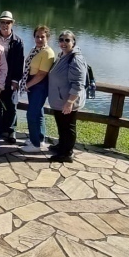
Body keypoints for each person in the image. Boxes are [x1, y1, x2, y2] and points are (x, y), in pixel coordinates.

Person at [48, 31, 88, 163]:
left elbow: (78, 83)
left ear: (73, 42)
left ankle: (66, 153)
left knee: (68, 127)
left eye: (67, 40)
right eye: (61, 40)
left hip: (67, 101)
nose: (63, 43)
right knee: (61, 125)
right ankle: (61, 146)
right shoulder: (63, 55)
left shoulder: (75, 59)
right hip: (60, 100)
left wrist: (70, 102)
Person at [19, 25, 56, 154]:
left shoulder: (47, 52)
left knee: (32, 114)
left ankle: (35, 144)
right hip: (33, 84)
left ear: (48, 38)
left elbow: (41, 74)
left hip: (39, 85)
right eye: (37, 36)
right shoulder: (36, 49)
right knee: (38, 113)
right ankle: (39, 139)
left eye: (42, 37)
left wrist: (27, 85)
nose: (39, 39)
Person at [0, 11, 24, 143]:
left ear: (12, 24)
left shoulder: (18, 41)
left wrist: (15, 80)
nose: (5, 24)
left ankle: (11, 130)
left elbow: (19, 62)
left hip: (10, 78)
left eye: (8, 22)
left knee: (11, 105)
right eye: (2, 22)